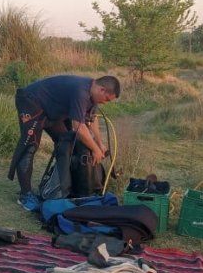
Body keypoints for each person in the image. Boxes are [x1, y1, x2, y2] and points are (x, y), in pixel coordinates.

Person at [8, 75, 120, 210]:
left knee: (67, 142)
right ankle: (25, 196)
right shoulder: (81, 91)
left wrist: (99, 143)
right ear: (102, 90)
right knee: (30, 146)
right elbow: (78, 127)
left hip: (52, 110)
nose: (105, 103)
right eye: (107, 99)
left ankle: (59, 186)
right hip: (31, 101)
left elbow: (91, 119)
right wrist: (95, 150)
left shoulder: (93, 95)